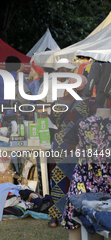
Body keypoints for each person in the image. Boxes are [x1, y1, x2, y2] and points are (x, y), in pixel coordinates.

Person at [47, 75, 98, 228]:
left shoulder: (57, 102)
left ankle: (54, 219)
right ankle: (75, 215)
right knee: (78, 181)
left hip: (59, 143)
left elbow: (54, 121)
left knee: (57, 179)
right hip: (77, 145)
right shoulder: (89, 104)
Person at [61, 107, 111, 240]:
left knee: (76, 222)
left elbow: (69, 148)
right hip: (107, 181)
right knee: (99, 224)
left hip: (83, 180)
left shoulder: (82, 124)